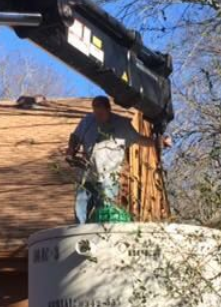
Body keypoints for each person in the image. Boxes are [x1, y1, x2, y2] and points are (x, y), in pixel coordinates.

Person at [66, 95, 168, 224]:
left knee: (105, 208)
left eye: (101, 113)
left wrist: (159, 142)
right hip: (87, 173)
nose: (98, 117)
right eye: (95, 113)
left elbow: (140, 139)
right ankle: (80, 231)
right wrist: (71, 150)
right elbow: (75, 137)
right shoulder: (88, 121)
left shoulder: (122, 125)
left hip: (108, 175)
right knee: (81, 204)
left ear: (108, 109)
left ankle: (101, 233)